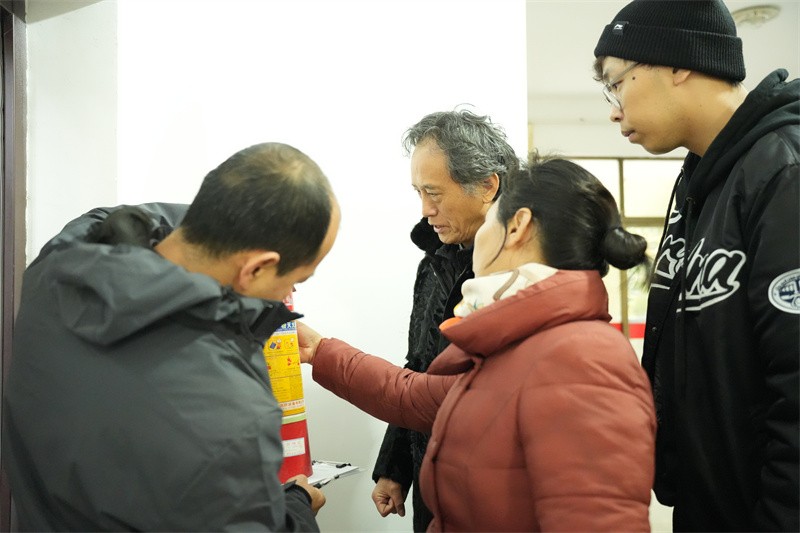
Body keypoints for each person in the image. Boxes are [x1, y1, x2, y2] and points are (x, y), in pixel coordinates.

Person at [298, 154, 657, 531]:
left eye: (491, 220)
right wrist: (319, 350)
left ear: (517, 227)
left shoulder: (582, 357)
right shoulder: (518, 342)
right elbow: (412, 396)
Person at [2, 142, 338, 531]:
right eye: (296, 280)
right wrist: (297, 507)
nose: (287, 295)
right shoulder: (233, 415)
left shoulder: (60, 266)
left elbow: (125, 219)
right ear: (257, 268)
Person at [592, 1, 799, 530]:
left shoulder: (783, 169)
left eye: (615, 84)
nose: (614, 111)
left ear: (678, 63)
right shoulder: (699, 180)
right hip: (708, 502)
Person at [371, 109, 519, 531]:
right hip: (431, 483)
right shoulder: (435, 261)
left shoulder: (524, 271)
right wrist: (395, 467)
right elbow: (418, 369)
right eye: (418, 192)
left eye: (433, 192)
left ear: (488, 185)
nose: (425, 209)